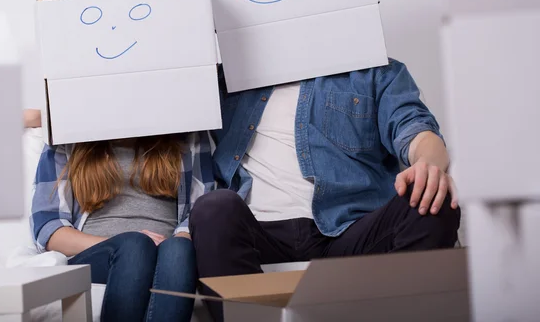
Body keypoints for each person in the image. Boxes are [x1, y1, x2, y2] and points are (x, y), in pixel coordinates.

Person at [188, 60, 461, 321]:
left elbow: (416, 130)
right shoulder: (225, 80)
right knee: (212, 208)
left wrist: (427, 164)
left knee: (433, 197)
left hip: (349, 231)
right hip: (259, 235)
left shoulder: (376, 71)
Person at [31, 133, 214, 322]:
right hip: (101, 256)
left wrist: (180, 238)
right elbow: (49, 228)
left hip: (166, 254)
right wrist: (124, 243)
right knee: (135, 246)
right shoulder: (66, 134)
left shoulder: (188, 132)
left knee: (180, 249)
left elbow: (199, 211)